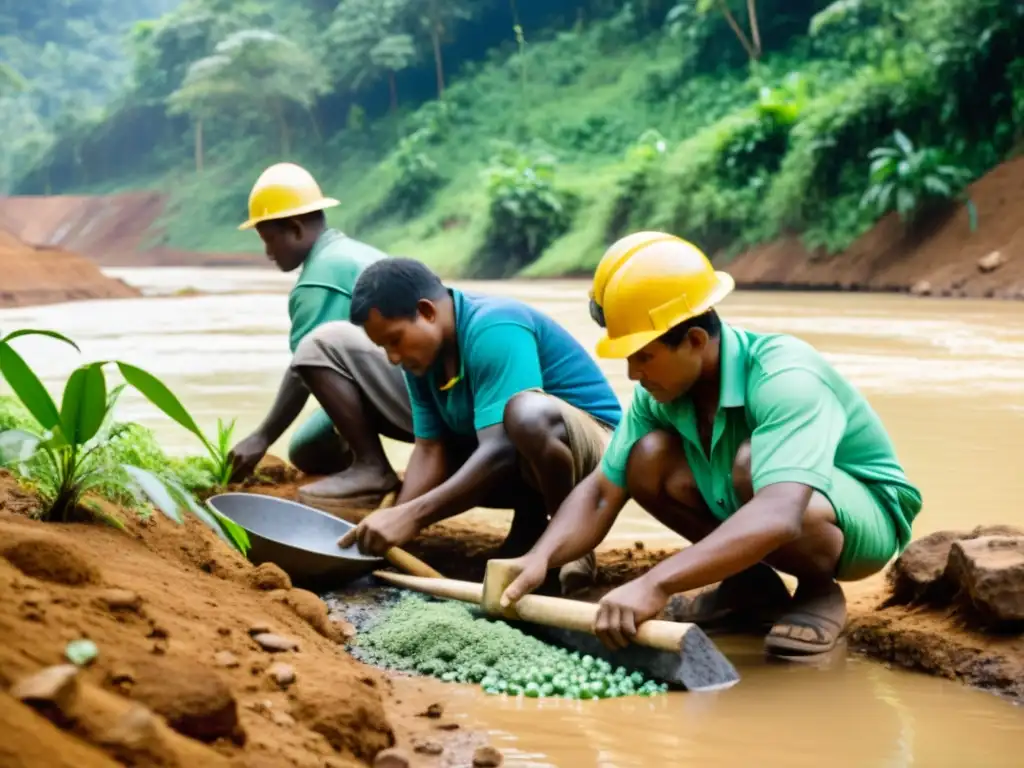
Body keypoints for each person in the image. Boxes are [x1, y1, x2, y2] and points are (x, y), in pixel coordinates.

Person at [497, 232, 923, 657]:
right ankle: (751, 584)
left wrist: (655, 582)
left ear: (696, 341)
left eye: (643, 356)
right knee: (645, 459)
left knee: (752, 464)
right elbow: (600, 494)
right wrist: (540, 558)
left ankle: (817, 591)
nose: (631, 374)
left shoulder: (785, 376)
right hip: (775, 498)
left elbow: (780, 512)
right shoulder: (659, 395)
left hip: (863, 517)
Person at [337, 257, 623, 593]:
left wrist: (414, 516)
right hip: (521, 454)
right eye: (383, 347)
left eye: (395, 340)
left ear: (427, 311)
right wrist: (394, 524)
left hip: (598, 456)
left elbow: (501, 449)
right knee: (476, 438)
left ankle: (571, 545)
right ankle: (530, 528)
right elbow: (430, 449)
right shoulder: (423, 360)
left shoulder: (494, 327)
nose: (393, 357)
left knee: (525, 416)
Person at [227, 162, 415, 510]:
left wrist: (262, 436)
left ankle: (372, 468)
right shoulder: (351, 252)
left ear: (295, 229)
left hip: (419, 393)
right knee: (308, 446)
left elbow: (306, 364)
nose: (268, 253)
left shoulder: (319, 278)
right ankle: (362, 468)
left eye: (269, 240)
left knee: (315, 352)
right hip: (414, 380)